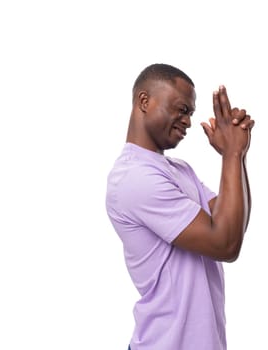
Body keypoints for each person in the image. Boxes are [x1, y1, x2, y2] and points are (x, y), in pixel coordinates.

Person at [106, 63, 254, 350]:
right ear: (144, 101)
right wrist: (231, 155)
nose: (187, 121)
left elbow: (233, 226)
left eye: (191, 113)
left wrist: (238, 155)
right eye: (181, 109)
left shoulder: (179, 170)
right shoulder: (135, 177)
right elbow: (225, 245)